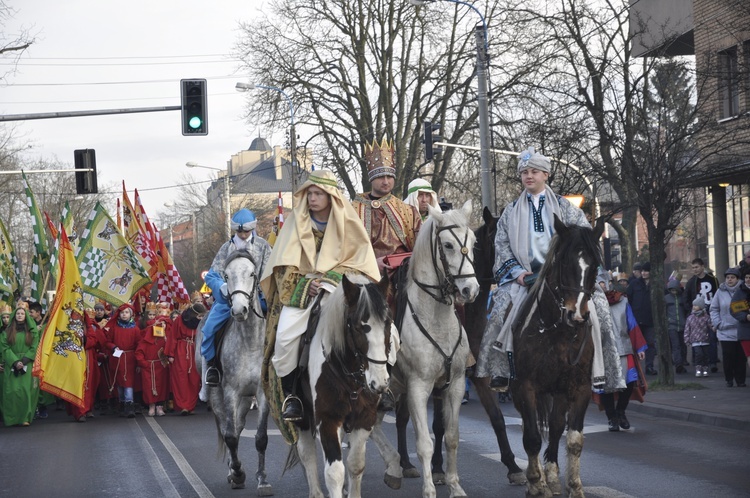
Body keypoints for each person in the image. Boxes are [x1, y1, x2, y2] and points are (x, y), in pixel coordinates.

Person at [475, 147, 622, 393]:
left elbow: (587, 242)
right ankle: (499, 371)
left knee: (602, 313)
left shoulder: (566, 208)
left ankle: (607, 371)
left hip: (566, 277)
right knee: (499, 311)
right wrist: (516, 273)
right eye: (524, 172)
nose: (528, 176)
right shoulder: (510, 212)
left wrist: (595, 276)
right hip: (525, 277)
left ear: (546, 175)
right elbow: (501, 245)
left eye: (534, 172)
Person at [261, 169, 382, 422]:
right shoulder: (296, 222)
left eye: (318, 193)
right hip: (302, 293)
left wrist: (331, 280)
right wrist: (307, 285)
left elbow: (360, 265)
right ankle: (292, 394)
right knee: (284, 337)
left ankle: (382, 387)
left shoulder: (348, 223)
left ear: (330, 197)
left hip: (341, 291)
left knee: (382, 330)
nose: (312, 198)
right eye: (309, 193)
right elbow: (283, 267)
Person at [201, 209, 271, 386]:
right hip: (230, 300)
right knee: (209, 328)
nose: (242, 234)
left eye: (246, 231)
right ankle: (212, 366)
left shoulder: (263, 246)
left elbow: (271, 272)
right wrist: (222, 287)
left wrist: (265, 293)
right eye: (239, 231)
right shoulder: (226, 248)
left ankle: (283, 373)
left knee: (282, 327)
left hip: (258, 299)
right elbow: (211, 275)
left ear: (251, 228)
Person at [351, 138, 422, 274]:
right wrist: (370, 265)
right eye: (380, 177)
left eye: (389, 177)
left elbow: (421, 248)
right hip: (363, 275)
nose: (385, 181)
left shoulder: (408, 211)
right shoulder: (352, 210)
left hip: (403, 276)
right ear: (371, 178)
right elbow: (343, 250)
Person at [597, 272, 647, 431]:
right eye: (599, 283)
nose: (602, 285)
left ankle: (620, 412)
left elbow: (631, 324)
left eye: (604, 282)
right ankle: (612, 418)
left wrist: (639, 346)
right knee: (606, 387)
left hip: (624, 348)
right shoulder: (590, 303)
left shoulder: (622, 300)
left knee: (630, 383)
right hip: (602, 351)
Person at [0, 306, 41, 426]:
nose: (19, 315)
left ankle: (25, 417)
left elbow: (34, 347)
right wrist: (15, 361)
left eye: (22, 313)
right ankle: (11, 418)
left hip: (26, 364)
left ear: (26, 316)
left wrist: (23, 361)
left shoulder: (32, 332)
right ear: (14, 316)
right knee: (11, 392)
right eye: (17, 313)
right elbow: (4, 348)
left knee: (24, 391)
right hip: (11, 364)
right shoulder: (6, 332)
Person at [164, 303, 206, 414]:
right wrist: (171, 354)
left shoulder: (202, 323)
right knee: (181, 378)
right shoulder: (180, 320)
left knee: (194, 379)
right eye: (199, 316)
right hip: (181, 350)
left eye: (202, 316)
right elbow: (173, 336)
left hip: (195, 350)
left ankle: (191, 406)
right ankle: (183, 406)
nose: (201, 318)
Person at [103, 303, 142, 418]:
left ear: (131, 314)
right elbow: (107, 342)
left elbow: (139, 345)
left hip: (130, 358)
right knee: (119, 383)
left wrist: (138, 361)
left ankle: (129, 405)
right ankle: (121, 403)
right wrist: (113, 347)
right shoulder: (114, 328)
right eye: (122, 312)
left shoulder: (135, 329)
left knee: (128, 383)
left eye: (126, 312)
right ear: (118, 314)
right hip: (117, 358)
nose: (124, 315)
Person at [710, 267, 745, 387]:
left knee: (741, 357)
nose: (730, 280)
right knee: (728, 356)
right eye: (728, 277)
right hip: (725, 330)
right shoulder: (720, 292)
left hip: (741, 329)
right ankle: (729, 379)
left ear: (738, 279)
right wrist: (717, 323)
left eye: (732, 277)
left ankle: (741, 380)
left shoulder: (743, 291)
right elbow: (714, 308)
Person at [683, 258, 719, 372]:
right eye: (693, 268)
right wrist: (691, 310)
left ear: (702, 266)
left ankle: (712, 361)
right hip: (697, 315)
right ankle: (698, 362)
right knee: (697, 338)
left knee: (712, 338)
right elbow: (686, 298)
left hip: (710, 311)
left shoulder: (713, 280)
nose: (695, 270)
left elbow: (717, 294)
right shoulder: (691, 282)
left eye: (697, 267)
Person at [135, 309, 171, 416]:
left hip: (160, 365)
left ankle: (160, 407)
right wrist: (144, 364)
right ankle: (151, 406)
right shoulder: (145, 341)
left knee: (162, 386)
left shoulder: (164, 340)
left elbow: (168, 349)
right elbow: (139, 353)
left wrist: (164, 336)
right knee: (149, 387)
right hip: (148, 367)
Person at [627, 262, 657, 375]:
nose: (644, 273)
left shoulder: (656, 284)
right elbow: (628, 299)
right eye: (643, 271)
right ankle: (636, 367)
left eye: (646, 271)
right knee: (635, 345)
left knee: (650, 343)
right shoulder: (634, 284)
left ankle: (649, 366)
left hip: (650, 319)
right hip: (636, 320)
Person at [684, 295, 712, 377]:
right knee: (698, 354)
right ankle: (698, 368)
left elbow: (710, 325)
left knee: (706, 355)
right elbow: (687, 329)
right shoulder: (690, 318)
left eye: (696, 305)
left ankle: (705, 368)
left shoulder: (706, 317)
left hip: (705, 339)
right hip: (695, 340)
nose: (694, 307)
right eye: (693, 305)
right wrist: (687, 339)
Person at [730, 269, 750, 380]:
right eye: (746, 277)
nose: (748, 280)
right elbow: (734, 309)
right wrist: (745, 317)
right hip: (746, 329)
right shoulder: (740, 292)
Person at [664, 279, 687, 373]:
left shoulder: (682, 298)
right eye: (672, 290)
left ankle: (682, 361)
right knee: (676, 345)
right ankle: (678, 364)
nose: (674, 292)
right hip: (671, 326)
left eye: (675, 290)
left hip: (682, 325)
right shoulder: (666, 298)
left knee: (683, 345)